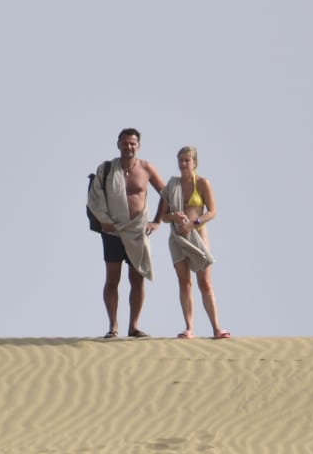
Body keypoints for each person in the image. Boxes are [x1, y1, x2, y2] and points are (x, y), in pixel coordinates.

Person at [87, 127, 165, 338]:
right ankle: (113, 326)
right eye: (125, 142)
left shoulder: (146, 168)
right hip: (112, 231)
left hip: (138, 231)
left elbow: (167, 194)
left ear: (138, 146)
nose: (128, 146)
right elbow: (94, 197)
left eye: (132, 143)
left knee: (137, 279)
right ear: (118, 144)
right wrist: (104, 220)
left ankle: (134, 326)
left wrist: (157, 221)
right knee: (112, 279)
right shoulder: (107, 168)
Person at [155, 145, 231, 339]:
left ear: (195, 162)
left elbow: (212, 211)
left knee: (205, 282)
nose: (183, 164)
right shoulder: (172, 185)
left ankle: (217, 328)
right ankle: (189, 327)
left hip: (198, 234)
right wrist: (174, 215)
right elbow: (163, 217)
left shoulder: (203, 183)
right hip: (177, 237)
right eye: (180, 160)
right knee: (184, 283)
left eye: (187, 160)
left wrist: (193, 223)